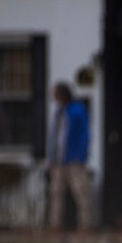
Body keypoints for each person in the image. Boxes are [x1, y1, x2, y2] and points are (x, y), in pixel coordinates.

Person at [49, 81, 92, 234]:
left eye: (55, 92)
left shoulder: (77, 110)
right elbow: (55, 136)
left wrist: (81, 155)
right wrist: (51, 157)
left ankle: (85, 224)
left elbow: (84, 135)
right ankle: (55, 224)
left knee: (80, 192)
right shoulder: (59, 112)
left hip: (74, 159)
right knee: (56, 192)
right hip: (59, 160)